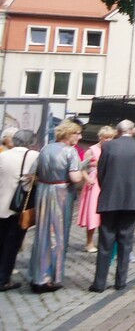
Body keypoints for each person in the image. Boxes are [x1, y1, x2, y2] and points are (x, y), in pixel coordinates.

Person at [88, 119, 135, 293]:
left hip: (109, 199)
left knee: (105, 241)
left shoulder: (108, 147)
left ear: (117, 131)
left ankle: (99, 283)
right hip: (131, 199)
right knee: (125, 240)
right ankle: (121, 281)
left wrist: (108, 188)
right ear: (134, 130)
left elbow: (101, 172)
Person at [28, 119, 83, 293]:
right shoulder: (70, 152)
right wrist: (83, 168)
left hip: (43, 191)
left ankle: (37, 275)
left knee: (42, 233)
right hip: (61, 192)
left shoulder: (45, 148)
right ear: (69, 134)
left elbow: (32, 174)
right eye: (77, 133)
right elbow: (75, 178)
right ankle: (51, 277)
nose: (80, 137)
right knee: (57, 234)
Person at [0, 129, 38, 291]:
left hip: (1, 205)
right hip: (20, 207)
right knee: (12, 244)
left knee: (1, 242)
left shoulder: (3, 155)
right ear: (30, 141)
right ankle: (3, 279)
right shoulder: (34, 156)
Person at [77, 125, 117, 253]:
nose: (108, 140)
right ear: (100, 137)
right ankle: (89, 242)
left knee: (106, 214)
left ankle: (103, 242)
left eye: (111, 137)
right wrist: (87, 179)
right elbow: (82, 168)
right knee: (93, 213)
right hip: (94, 182)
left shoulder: (113, 150)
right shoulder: (91, 150)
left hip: (107, 181)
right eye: (106, 137)